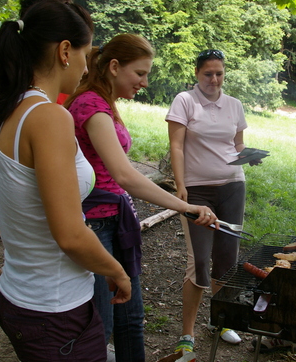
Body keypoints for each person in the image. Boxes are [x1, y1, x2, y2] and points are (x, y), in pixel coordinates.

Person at [0, 0, 132, 362]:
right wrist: (116, 270)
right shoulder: (48, 117)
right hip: (56, 311)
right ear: (65, 50)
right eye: (85, 54)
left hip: (17, 295)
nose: (85, 67)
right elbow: (70, 234)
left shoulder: (2, 112)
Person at [63, 34, 217, 362]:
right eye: (140, 73)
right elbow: (124, 175)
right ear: (115, 67)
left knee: (131, 319)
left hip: (112, 222)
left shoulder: (104, 102)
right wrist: (186, 206)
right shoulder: (90, 103)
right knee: (102, 324)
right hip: (95, 225)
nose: (145, 83)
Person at [166, 49, 260, 355]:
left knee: (227, 258)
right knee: (200, 261)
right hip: (197, 190)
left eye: (219, 73)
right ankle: (187, 333)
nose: (214, 80)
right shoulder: (185, 101)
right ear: (197, 74)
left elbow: (237, 144)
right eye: (208, 74)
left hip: (233, 186)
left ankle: (221, 322)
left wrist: (248, 155)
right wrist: (181, 187)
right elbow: (177, 147)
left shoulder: (234, 104)